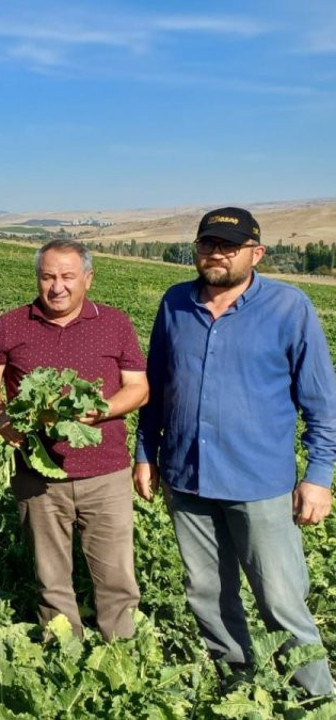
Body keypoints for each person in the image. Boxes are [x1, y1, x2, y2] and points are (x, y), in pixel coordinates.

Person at [135, 207, 336, 695]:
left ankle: (318, 698)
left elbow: (321, 403)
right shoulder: (175, 302)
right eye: (208, 244)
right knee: (206, 593)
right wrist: (145, 453)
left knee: (282, 600)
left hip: (259, 483)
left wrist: (319, 475)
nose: (217, 254)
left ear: (256, 252)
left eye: (229, 245)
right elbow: (156, 388)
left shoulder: (290, 308)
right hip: (187, 479)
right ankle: (239, 682)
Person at [0, 239, 148, 639]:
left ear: (88, 278)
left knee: (116, 574)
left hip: (105, 473)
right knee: (50, 576)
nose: (57, 287)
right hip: (38, 473)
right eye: (48, 276)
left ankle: (120, 649)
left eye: (68, 276)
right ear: (38, 278)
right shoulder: (11, 324)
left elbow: (138, 387)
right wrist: (2, 418)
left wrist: (103, 409)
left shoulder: (115, 323)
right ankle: (62, 652)